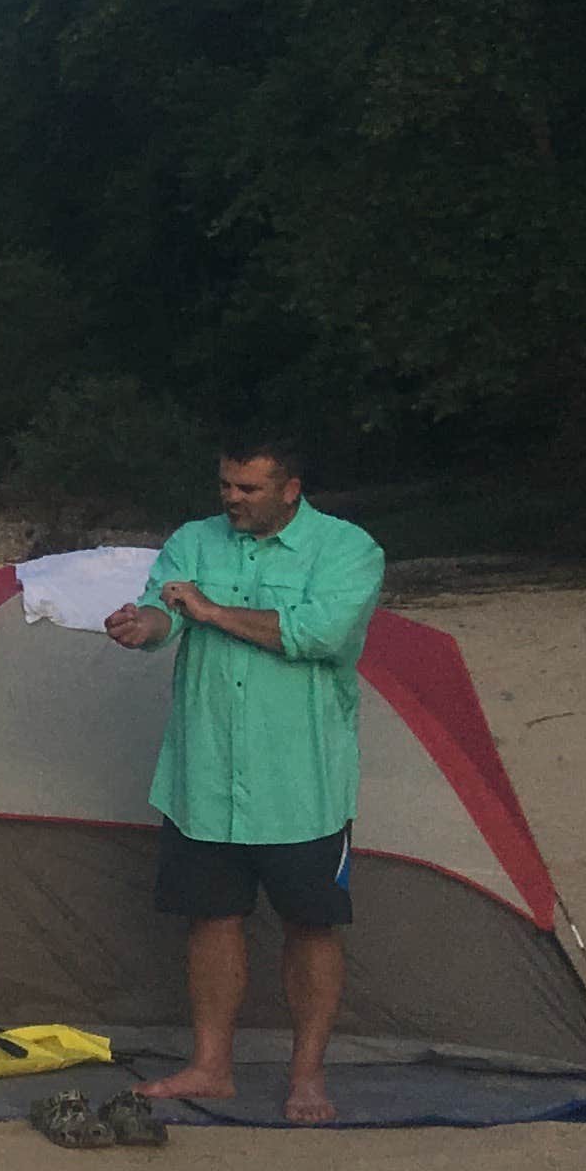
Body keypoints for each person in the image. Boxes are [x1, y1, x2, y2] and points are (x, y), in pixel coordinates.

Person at [101, 435, 385, 1123]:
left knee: (312, 925)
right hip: (204, 775)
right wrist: (143, 625)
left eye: (248, 488)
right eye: (226, 484)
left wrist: (212, 611)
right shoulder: (193, 541)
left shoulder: (348, 550)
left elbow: (319, 634)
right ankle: (211, 1067)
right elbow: (165, 612)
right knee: (211, 918)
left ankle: (307, 1077)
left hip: (301, 783)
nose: (232, 498)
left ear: (290, 489)